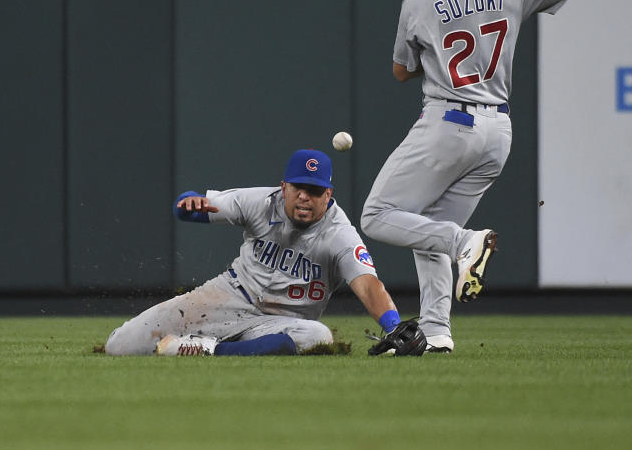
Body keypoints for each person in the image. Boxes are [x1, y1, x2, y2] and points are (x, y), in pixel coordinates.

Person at [360, 0, 628, 353]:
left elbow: (401, 72)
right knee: (424, 227)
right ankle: (437, 333)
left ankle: (466, 241)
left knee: (379, 216)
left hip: (448, 122)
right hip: (497, 132)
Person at [105, 149, 411, 357]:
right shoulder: (260, 202)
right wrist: (188, 203)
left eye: (315, 190)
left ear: (328, 195)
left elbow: (368, 285)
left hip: (280, 323)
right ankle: (197, 343)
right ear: (284, 188)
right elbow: (190, 207)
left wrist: (394, 326)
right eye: (298, 188)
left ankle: (204, 349)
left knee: (318, 337)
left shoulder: (340, 233)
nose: (305, 197)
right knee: (118, 346)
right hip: (227, 297)